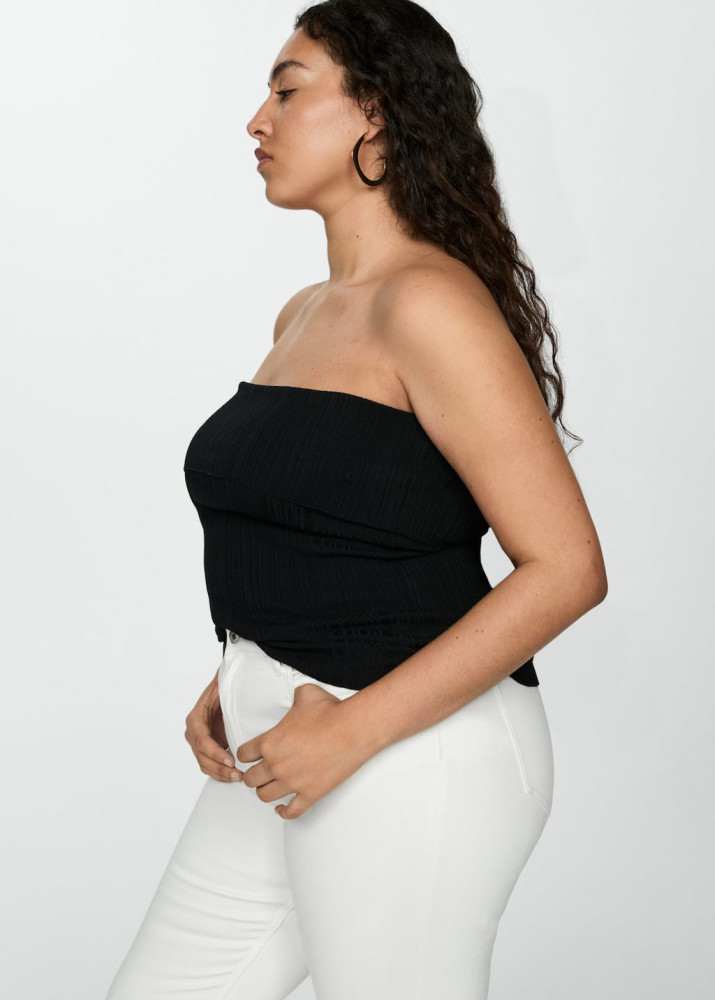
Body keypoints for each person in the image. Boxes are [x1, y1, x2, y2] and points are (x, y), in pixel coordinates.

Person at [105, 2, 607, 998]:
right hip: (284, 740)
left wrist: (354, 729)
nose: (258, 120)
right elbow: (329, 530)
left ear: (374, 112)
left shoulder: (428, 303)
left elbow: (567, 569)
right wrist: (243, 670)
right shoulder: (305, 314)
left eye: (288, 91)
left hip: (416, 753)